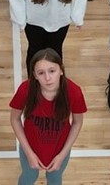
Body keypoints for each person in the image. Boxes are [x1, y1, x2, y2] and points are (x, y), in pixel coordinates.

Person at [11, 48, 86, 185]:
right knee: (28, 177)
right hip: (30, 147)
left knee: (55, 179)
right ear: (34, 75)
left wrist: (62, 155)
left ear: (61, 70)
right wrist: (29, 153)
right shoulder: (25, 90)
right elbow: (14, 119)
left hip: (59, 149)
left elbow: (77, 122)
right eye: (41, 73)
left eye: (52, 71)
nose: (47, 78)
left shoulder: (74, 92)